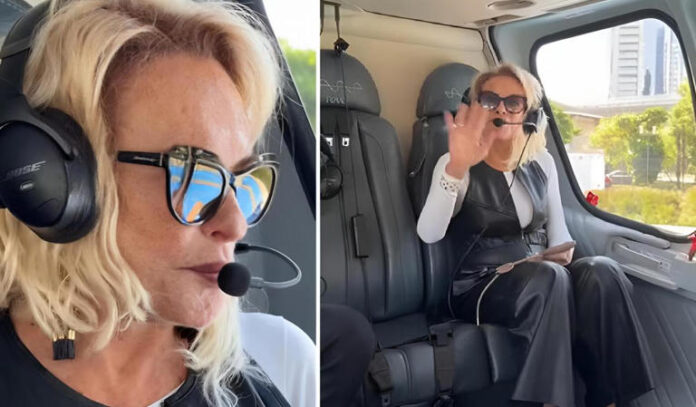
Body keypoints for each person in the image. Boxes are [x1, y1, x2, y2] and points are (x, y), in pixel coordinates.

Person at [0, 0, 314, 406]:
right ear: (58, 183)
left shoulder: (283, 360)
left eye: (244, 180)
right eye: (194, 174)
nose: (236, 224)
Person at [417, 63, 654, 407]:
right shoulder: (454, 163)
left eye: (513, 102)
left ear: (529, 115)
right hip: (479, 283)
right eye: (489, 99)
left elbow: (558, 233)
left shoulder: (541, 162)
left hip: (540, 272)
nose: (500, 109)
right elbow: (429, 233)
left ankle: (611, 400)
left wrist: (560, 252)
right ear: (475, 107)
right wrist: (456, 167)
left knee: (602, 271)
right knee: (549, 277)